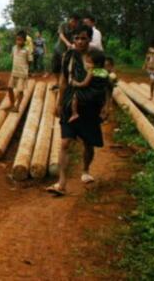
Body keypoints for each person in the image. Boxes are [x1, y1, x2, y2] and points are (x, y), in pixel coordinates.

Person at [47, 24, 105, 196]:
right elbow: (64, 80)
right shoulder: (68, 56)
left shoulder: (97, 57)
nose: (79, 42)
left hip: (90, 105)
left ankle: (86, 170)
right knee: (65, 142)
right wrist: (59, 103)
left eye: (83, 38)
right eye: (76, 38)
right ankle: (61, 183)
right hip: (69, 103)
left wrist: (105, 106)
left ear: (89, 39)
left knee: (88, 143)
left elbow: (105, 84)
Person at [66, 49, 109, 125]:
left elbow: (85, 84)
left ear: (98, 64)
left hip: (90, 94)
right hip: (100, 94)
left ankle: (74, 113)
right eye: (86, 62)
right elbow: (107, 84)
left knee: (75, 96)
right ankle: (102, 115)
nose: (86, 64)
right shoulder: (105, 72)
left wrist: (75, 83)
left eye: (89, 62)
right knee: (101, 103)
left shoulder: (91, 72)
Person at [8, 30, 32, 112]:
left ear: (24, 41)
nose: (18, 41)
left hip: (22, 73)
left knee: (20, 90)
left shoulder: (27, 50)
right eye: (17, 39)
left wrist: (27, 71)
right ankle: (12, 104)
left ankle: (17, 107)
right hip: (14, 72)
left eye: (20, 40)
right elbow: (12, 58)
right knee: (9, 88)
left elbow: (30, 61)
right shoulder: (14, 48)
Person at [52, 13, 80, 79]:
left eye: (76, 22)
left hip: (68, 51)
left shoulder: (77, 29)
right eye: (73, 21)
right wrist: (67, 43)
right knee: (55, 67)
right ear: (69, 20)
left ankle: (65, 82)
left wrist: (73, 44)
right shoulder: (63, 25)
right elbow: (61, 34)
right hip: (58, 49)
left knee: (66, 67)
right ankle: (57, 82)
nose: (74, 23)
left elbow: (76, 38)